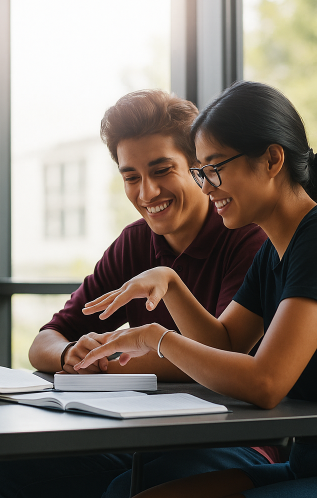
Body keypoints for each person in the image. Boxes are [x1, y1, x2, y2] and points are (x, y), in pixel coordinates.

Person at [0, 90, 273, 498]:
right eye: (131, 177)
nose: (147, 192)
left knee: (125, 490)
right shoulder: (134, 244)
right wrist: (68, 354)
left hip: (235, 440)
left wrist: (107, 360)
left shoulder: (247, 237)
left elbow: (218, 358)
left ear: (198, 167)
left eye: (162, 170)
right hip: (143, 437)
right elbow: (45, 341)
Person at [75, 81, 317, 497]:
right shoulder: (275, 250)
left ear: (273, 159)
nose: (205, 186)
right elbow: (227, 344)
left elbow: (267, 382)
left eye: (215, 167)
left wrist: (157, 337)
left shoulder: (313, 238)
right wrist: (171, 283)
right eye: (201, 171)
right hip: (303, 465)